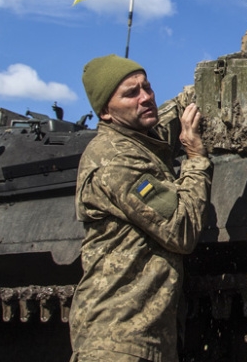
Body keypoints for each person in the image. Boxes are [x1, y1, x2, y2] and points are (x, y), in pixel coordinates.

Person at [70, 55, 212, 362]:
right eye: (131, 93)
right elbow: (181, 229)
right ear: (105, 112)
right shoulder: (114, 159)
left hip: (144, 342)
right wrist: (196, 159)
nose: (146, 97)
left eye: (146, 87)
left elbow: (174, 112)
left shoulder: (138, 140)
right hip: (119, 343)